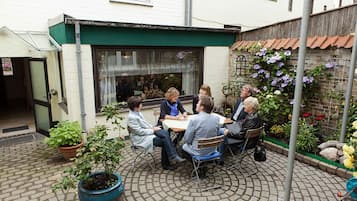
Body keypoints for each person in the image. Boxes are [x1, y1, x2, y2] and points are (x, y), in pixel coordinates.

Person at [127, 96, 185, 171]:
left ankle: (171, 157)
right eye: (140, 104)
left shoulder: (137, 113)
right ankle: (170, 160)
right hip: (141, 138)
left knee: (165, 134)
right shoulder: (132, 117)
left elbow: (145, 124)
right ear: (135, 106)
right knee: (165, 139)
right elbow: (139, 132)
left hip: (148, 133)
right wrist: (153, 130)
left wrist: (153, 128)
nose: (142, 105)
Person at [182, 95, 220, 177]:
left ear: (202, 107)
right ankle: (203, 166)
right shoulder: (216, 118)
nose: (196, 104)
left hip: (199, 152)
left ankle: (198, 167)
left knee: (181, 148)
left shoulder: (194, 120)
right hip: (212, 150)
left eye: (198, 103)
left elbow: (187, 140)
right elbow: (216, 133)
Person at [220, 96, 262, 163]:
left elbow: (240, 135)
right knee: (227, 126)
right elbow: (244, 125)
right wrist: (236, 124)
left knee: (222, 133)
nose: (243, 106)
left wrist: (228, 132)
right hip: (252, 142)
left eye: (245, 105)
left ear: (250, 107)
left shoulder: (250, 119)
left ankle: (220, 159)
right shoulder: (256, 116)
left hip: (244, 143)